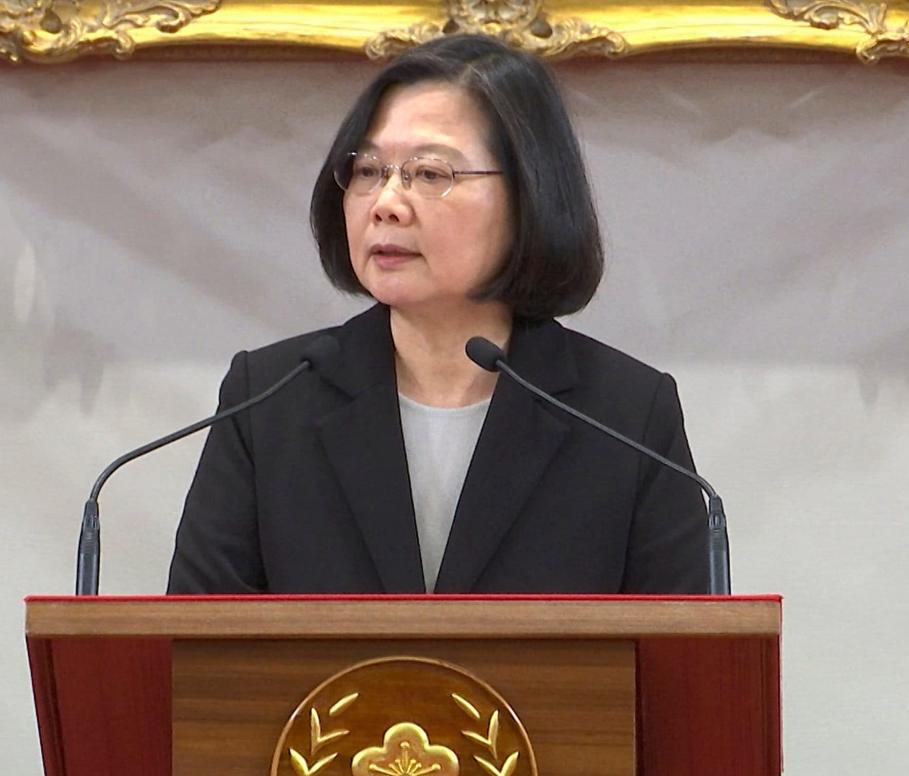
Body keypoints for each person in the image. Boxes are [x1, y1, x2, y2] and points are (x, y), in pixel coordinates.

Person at [167, 34, 708, 595]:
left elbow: (690, 667)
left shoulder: (627, 420)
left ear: (530, 194)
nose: (386, 204)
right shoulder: (269, 401)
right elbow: (197, 656)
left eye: (429, 174)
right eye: (369, 171)